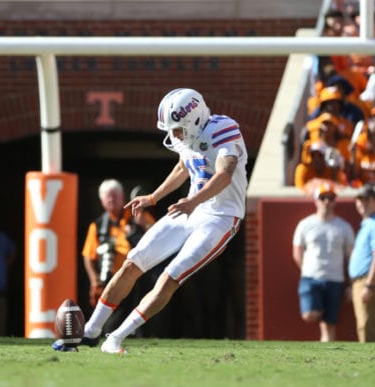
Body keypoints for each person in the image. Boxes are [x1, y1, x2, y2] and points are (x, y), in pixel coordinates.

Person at [53, 88, 247, 353]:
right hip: (191, 210)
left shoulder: (223, 128)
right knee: (133, 262)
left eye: (177, 128)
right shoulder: (185, 135)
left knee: (170, 277)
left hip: (221, 217)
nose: (174, 135)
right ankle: (91, 330)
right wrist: (154, 197)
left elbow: (225, 174)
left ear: (195, 118)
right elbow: (182, 166)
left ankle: (116, 338)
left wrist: (192, 202)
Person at [81, 179, 155, 336]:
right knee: (111, 321)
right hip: (110, 279)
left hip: (138, 277)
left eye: (115, 195)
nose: (111, 199)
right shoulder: (98, 225)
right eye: (107, 196)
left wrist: (144, 225)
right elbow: (88, 255)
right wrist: (94, 280)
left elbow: (159, 238)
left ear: (123, 197)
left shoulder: (137, 214)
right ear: (101, 201)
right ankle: (99, 335)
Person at [292, 183, 355, 342]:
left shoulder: (344, 227)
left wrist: (352, 283)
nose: (327, 201)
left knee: (329, 324)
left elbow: (350, 256)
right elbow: (297, 251)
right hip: (311, 277)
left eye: (331, 198)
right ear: (316, 201)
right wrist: (305, 269)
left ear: (335, 201)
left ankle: (327, 354)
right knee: (310, 314)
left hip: (335, 279)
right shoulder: (305, 224)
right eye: (323, 198)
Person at [349, 185, 375, 342]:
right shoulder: (367, 225)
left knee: (371, 327)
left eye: (367, 200)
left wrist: (368, 286)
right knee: (365, 325)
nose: (363, 204)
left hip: (371, 281)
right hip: (363, 281)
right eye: (360, 200)